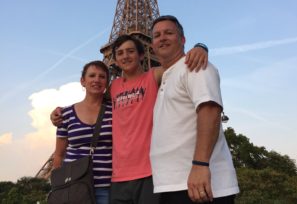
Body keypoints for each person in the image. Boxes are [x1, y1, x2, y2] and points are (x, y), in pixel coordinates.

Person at [51, 37, 208, 204]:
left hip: (137, 175)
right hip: (98, 181)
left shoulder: (151, 77)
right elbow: (59, 154)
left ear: (142, 55)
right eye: (119, 53)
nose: (96, 80)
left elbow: (176, 68)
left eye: (130, 51)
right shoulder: (112, 89)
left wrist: (200, 47)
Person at [150, 15, 239, 204]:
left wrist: (200, 164)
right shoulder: (166, 77)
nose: (162, 37)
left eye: (168, 33)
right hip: (173, 184)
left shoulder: (194, 65)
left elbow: (210, 111)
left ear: (182, 40)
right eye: (157, 35)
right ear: (152, 46)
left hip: (200, 184)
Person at [52, 61, 112, 204]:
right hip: (73, 188)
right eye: (92, 76)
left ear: (107, 82)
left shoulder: (116, 111)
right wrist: (57, 187)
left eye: (102, 77)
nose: (97, 80)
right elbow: (59, 154)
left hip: (106, 187)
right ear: (83, 81)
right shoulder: (65, 114)